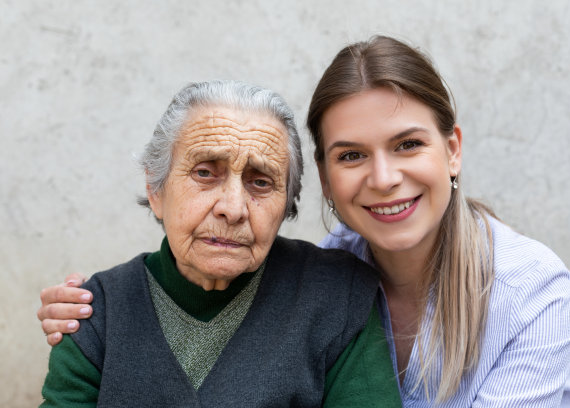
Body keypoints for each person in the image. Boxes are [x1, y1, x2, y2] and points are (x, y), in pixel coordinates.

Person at [39, 37, 570, 406]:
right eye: (351, 155)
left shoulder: (530, 290)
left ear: (453, 150)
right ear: (154, 190)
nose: (385, 176)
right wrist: (88, 313)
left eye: (409, 145)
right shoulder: (334, 267)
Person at [38, 80, 401, 407]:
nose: (233, 208)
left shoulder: (337, 297)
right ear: (155, 189)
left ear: (286, 204)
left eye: (261, 182)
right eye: (205, 173)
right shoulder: (91, 313)